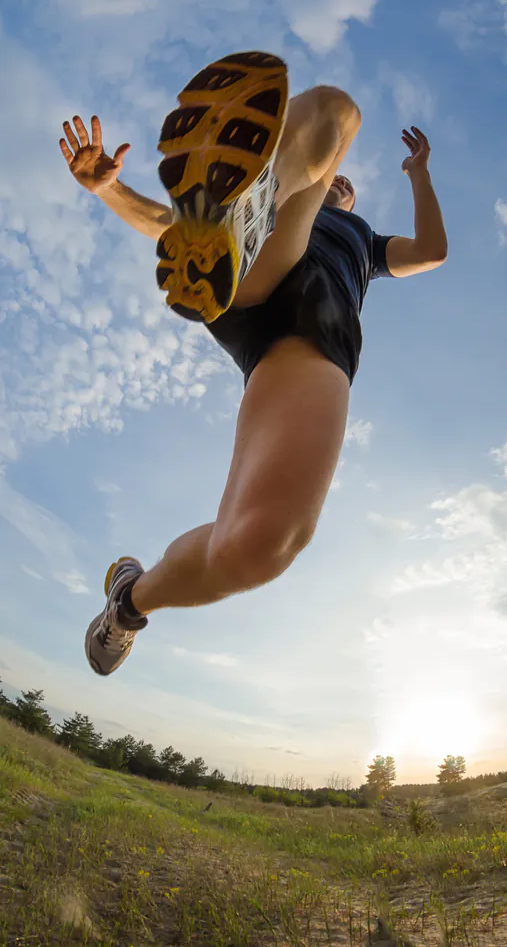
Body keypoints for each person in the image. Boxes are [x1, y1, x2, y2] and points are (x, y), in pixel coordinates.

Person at [59, 51, 448, 677]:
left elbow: (431, 250)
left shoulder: (366, 243)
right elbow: (167, 225)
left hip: (310, 334)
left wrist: (419, 175)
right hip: (259, 266)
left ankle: (128, 603)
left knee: (261, 545)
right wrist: (110, 189)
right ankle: (245, 212)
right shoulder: (304, 206)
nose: (342, 186)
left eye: (343, 187)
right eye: (335, 183)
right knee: (336, 113)